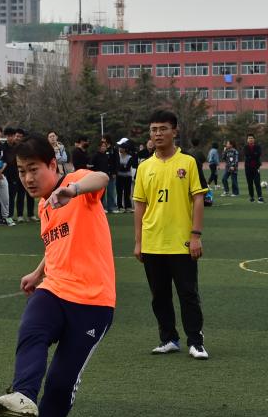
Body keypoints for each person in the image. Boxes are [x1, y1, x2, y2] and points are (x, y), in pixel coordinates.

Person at [0, 133, 115, 417]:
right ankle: (23, 394)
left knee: (59, 385)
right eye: (21, 171)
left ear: (52, 165)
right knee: (32, 328)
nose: (27, 178)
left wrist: (74, 189)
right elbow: (56, 243)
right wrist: (38, 273)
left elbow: (102, 177)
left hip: (93, 303)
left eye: (33, 169)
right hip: (55, 289)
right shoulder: (43, 206)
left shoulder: (75, 184)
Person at [132, 109, 209, 359]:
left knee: (188, 294)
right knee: (159, 296)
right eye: (154, 129)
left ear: (174, 131)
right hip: (152, 242)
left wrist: (195, 235)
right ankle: (168, 339)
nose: (158, 134)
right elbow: (140, 205)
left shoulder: (188, 162)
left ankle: (195, 341)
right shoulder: (144, 167)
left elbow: (199, 199)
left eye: (163, 129)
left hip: (181, 242)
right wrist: (138, 241)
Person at [88, 137, 114, 213]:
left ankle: (101, 207)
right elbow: (91, 165)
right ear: (99, 147)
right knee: (97, 193)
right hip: (97, 177)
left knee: (103, 192)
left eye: (105, 146)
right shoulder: (95, 155)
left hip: (104, 176)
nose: (103, 148)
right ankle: (96, 207)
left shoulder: (106, 156)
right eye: (102, 146)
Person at [242, 134, 264, 203]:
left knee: (257, 182)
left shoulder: (258, 147)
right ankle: (251, 197)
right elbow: (247, 155)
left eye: (252, 138)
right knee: (250, 183)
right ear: (247, 140)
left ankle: (260, 197)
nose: (250, 139)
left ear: (254, 139)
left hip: (256, 167)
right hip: (248, 168)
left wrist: (252, 155)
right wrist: (254, 154)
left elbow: (259, 154)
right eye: (249, 138)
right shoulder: (245, 147)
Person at [115, 140, 136, 212]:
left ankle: (128, 207)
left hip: (127, 177)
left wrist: (121, 166)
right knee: (119, 192)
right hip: (119, 177)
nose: (120, 149)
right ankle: (119, 206)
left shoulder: (129, 157)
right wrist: (122, 166)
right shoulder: (117, 156)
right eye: (120, 148)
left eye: (122, 148)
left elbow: (127, 167)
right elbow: (117, 166)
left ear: (125, 149)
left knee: (127, 192)